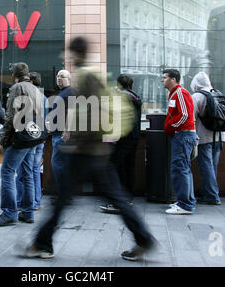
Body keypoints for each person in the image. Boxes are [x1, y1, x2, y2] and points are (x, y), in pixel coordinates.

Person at [23, 37, 156, 261]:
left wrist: (75, 140)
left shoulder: (85, 76)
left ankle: (42, 244)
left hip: (86, 151)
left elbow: (91, 112)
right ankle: (143, 240)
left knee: (62, 198)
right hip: (95, 151)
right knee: (110, 197)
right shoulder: (92, 75)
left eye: (69, 53)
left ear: (76, 54)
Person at [0, 63, 45, 226]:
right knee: (27, 173)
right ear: (27, 74)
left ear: (15, 75)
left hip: (20, 137)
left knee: (7, 172)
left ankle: (9, 213)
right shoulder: (35, 89)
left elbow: (10, 116)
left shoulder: (17, 88)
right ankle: (28, 213)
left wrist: (3, 140)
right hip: (33, 136)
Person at [100, 74, 142, 214]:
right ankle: (127, 198)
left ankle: (118, 201)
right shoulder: (135, 96)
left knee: (114, 166)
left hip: (123, 137)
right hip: (134, 137)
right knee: (128, 167)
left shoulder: (121, 97)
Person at [162, 69, 196, 215]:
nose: (162, 80)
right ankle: (186, 202)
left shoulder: (179, 93)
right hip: (182, 135)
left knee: (180, 169)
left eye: (165, 78)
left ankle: (185, 205)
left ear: (174, 79)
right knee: (183, 169)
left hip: (182, 135)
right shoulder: (175, 94)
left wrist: (170, 127)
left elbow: (184, 115)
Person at [16, 72, 49, 211]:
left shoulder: (26, 96)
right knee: (35, 169)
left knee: (22, 171)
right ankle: (36, 202)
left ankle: (20, 202)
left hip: (28, 138)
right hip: (40, 137)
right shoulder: (45, 98)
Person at [190, 72, 225, 205]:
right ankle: (210, 193)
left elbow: (191, 118)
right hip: (220, 136)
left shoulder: (197, 96)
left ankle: (212, 196)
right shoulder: (218, 93)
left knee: (206, 166)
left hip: (204, 137)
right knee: (212, 166)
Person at [50, 69, 76, 194]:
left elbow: (71, 112)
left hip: (62, 135)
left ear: (69, 79)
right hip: (57, 133)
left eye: (62, 76)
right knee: (61, 164)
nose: (59, 78)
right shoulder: (63, 92)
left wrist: (67, 130)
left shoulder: (70, 91)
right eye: (58, 76)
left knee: (58, 164)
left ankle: (63, 195)